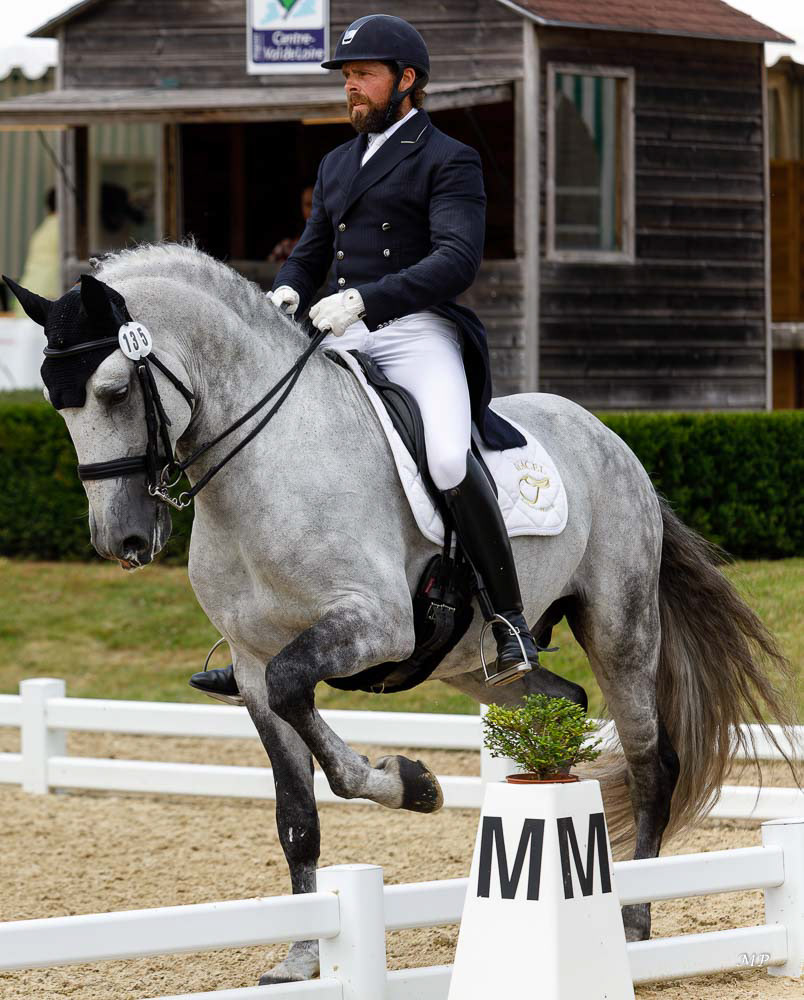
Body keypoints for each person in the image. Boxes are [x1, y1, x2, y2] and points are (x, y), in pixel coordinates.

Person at [191, 14, 542, 702]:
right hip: (340, 326)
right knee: (274, 436)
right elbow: (313, 250)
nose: (350, 87)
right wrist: (286, 293)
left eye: (363, 75)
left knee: (445, 455)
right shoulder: (336, 162)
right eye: (347, 76)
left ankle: (510, 619)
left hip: (416, 331)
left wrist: (366, 301)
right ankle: (257, 634)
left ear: (406, 81)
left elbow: (456, 259)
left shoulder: (448, 157)